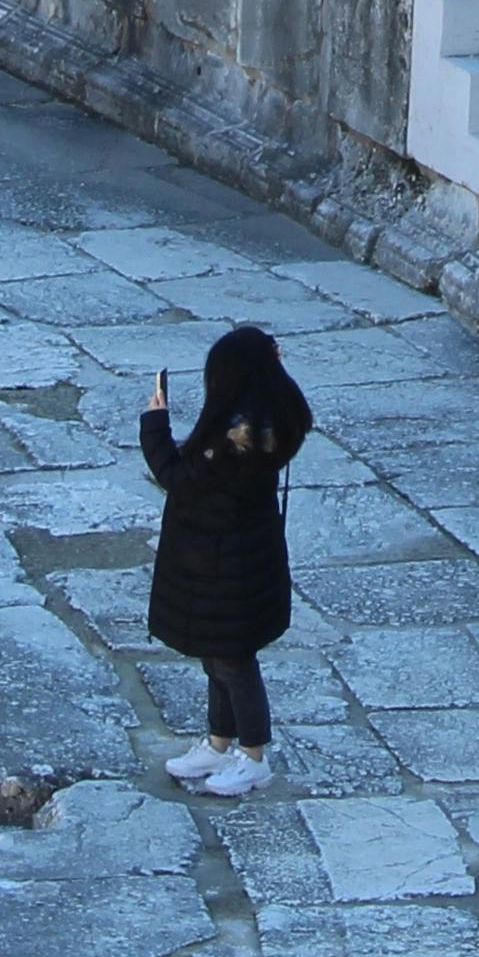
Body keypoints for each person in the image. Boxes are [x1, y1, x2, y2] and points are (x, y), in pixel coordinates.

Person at [140, 323, 312, 793]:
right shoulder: (263, 422)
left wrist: (155, 423)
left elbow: (179, 477)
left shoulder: (233, 440)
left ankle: (253, 756)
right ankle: (218, 743)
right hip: (237, 562)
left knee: (233, 662)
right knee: (216, 658)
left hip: (226, 569)